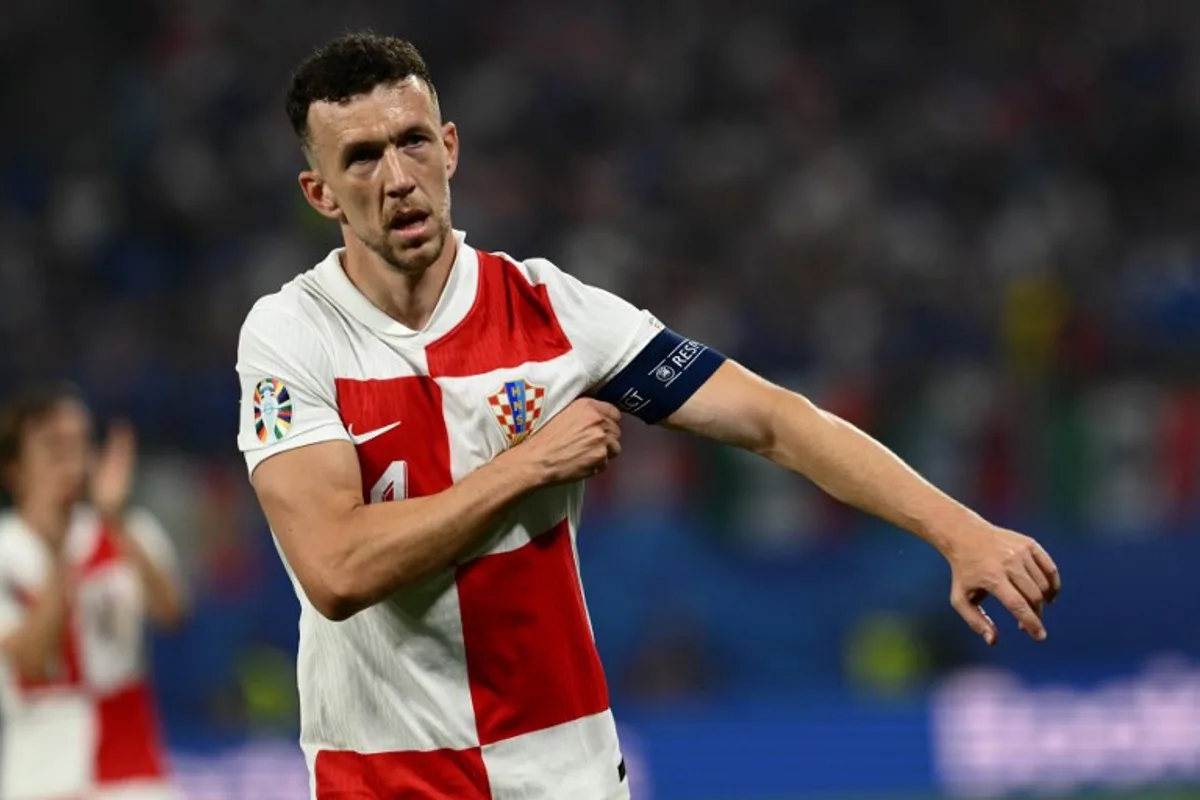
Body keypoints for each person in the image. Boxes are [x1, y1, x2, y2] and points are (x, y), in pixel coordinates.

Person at [236, 31, 1062, 800]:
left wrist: (958, 531)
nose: (398, 178)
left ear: (450, 147)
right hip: (383, 777)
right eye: (362, 158)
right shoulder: (290, 336)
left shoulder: (557, 314)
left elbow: (776, 420)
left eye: (413, 141)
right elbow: (336, 571)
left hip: (563, 764)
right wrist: (529, 464)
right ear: (321, 193)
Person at [0, 384, 188, 800]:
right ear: (14, 468)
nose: (72, 463)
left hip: (134, 774)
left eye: (81, 444)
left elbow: (174, 614)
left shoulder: (123, 531)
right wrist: (61, 552)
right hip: (39, 776)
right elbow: (31, 661)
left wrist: (114, 521)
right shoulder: (5, 551)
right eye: (54, 447)